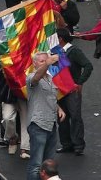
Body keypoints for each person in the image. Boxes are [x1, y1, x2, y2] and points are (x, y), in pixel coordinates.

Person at [26, 51, 64, 179]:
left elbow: (49, 97)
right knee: (36, 165)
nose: (45, 63)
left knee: (48, 164)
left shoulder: (50, 79)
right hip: (38, 125)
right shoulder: (31, 77)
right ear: (34, 64)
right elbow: (37, 77)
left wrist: (59, 108)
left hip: (51, 124)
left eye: (46, 60)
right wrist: (48, 63)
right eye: (41, 61)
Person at [56, 27, 92, 155]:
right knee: (62, 117)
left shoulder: (74, 51)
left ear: (60, 39)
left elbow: (88, 65)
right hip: (60, 90)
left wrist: (79, 82)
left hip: (72, 90)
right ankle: (66, 144)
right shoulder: (56, 52)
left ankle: (78, 145)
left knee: (75, 116)